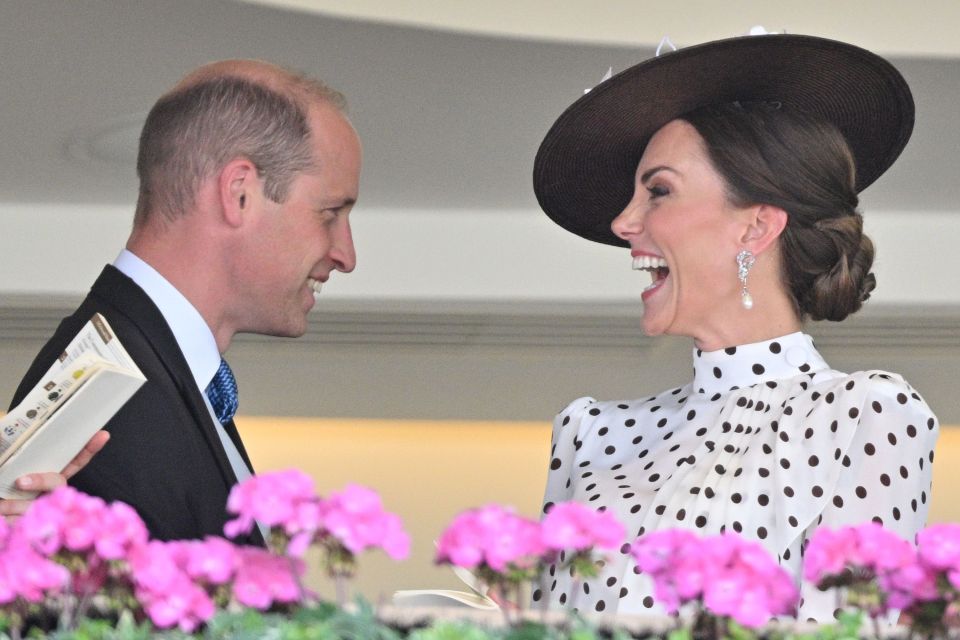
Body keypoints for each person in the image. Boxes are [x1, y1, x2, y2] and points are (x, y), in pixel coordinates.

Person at [533, 33, 940, 621]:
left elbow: (852, 633)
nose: (623, 222)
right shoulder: (591, 432)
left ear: (755, 228)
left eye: (659, 192)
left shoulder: (864, 414)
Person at [9, 60, 360, 543]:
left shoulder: (143, 368)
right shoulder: (108, 395)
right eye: (330, 213)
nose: (346, 255)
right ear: (239, 194)